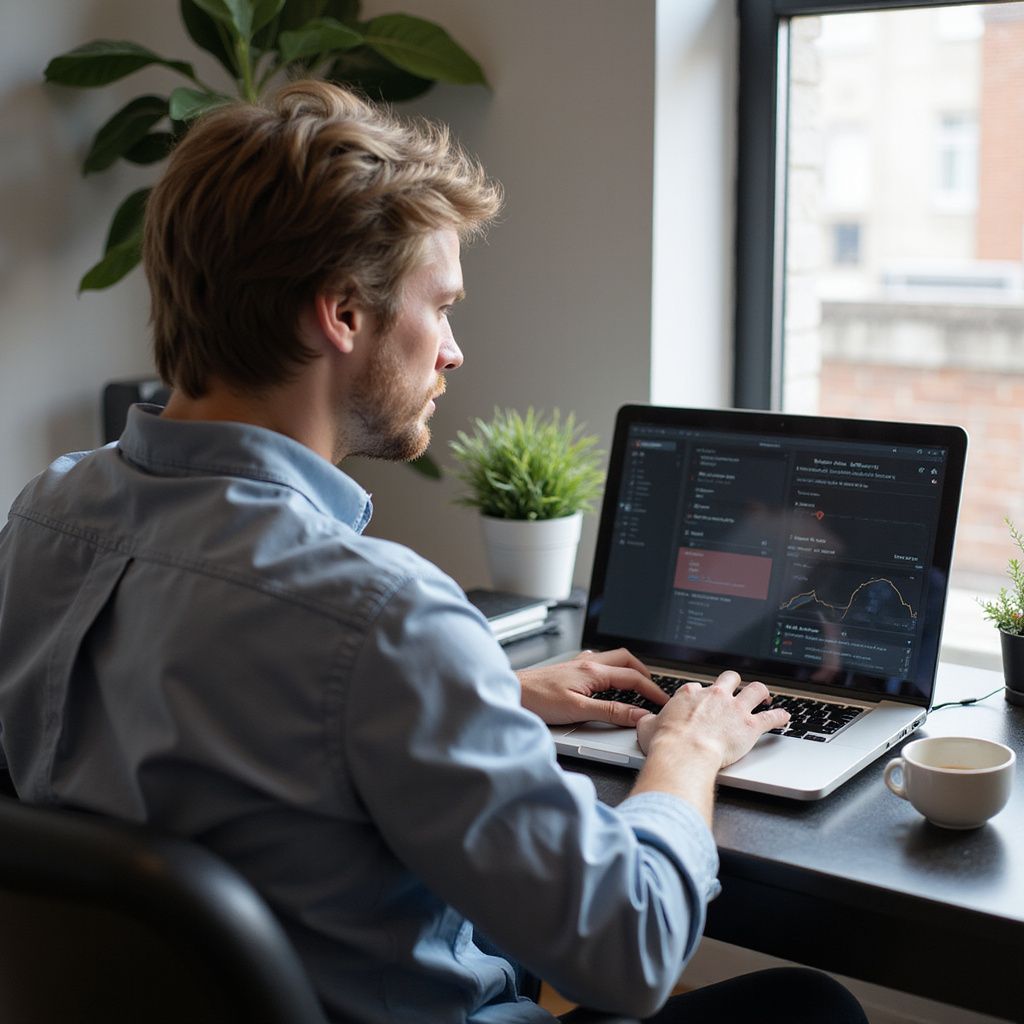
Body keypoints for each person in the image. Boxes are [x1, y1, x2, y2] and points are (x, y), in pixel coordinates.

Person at [0, 81, 866, 1024]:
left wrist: (485, 695)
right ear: (341, 313)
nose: (451, 350)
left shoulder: (46, 516)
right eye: (441, 306)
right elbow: (629, 950)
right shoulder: (382, 618)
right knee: (812, 1007)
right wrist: (689, 753)